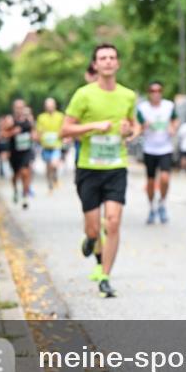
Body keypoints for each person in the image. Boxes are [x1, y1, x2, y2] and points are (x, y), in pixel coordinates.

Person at [61, 43, 139, 299]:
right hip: (88, 168)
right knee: (93, 229)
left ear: (118, 64)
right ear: (95, 64)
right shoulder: (83, 95)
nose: (107, 62)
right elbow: (65, 130)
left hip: (116, 166)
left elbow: (134, 127)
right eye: (102, 58)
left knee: (113, 222)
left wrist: (130, 133)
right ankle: (91, 239)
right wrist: (94, 125)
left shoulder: (128, 95)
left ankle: (105, 276)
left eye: (112, 57)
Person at [136, 81, 179, 224]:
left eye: (158, 90)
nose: (156, 93)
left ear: (162, 92)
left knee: (165, 178)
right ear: (149, 93)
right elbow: (138, 126)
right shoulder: (143, 108)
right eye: (153, 91)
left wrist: (173, 128)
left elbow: (175, 120)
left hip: (165, 148)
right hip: (150, 149)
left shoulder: (169, 106)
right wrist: (143, 126)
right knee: (150, 181)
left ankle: (162, 203)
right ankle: (151, 207)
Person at [2, 99, 34, 209]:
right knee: (16, 175)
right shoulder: (10, 120)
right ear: (14, 108)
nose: (19, 110)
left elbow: (33, 131)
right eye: (17, 107)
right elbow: (3, 134)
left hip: (26, 150)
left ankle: (25, 196)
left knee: (25, 172)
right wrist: (12, 132)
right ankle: (15, 190)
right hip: (14, 152)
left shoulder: (28, 119)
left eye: (21, 107)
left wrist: (34, 136)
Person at [36, 98, 65, 192]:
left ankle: (55, 177)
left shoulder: (60, 116)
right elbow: (39, 131)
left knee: (54, 164)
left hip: (57, 145)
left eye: (51, 106)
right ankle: (49, 184)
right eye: (48, 106)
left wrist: (63, 137)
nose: (50, 108)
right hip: (46, 146)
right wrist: (39, 137)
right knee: (48, 166)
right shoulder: (41, 117)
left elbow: (63, 129)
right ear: (45, 107)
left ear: (55, 106)